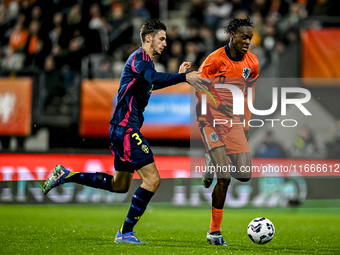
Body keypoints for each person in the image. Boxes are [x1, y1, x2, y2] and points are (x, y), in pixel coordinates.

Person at [41, 19, 209, 244]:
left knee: (120, 185)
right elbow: (151, 78)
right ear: (148, 38)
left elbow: (153, 82)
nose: (165, 43)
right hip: (126, 128)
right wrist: (183, 77)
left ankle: (66, 174)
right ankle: (125, 233)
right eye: (162, 38)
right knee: (153, 180)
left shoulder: (146, 63)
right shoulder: (140, 58)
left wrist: (179, 76)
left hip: (122, 129)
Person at [195, 17, 259, 246]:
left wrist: (247, 125)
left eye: (250, 38)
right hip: (209, 118)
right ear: (232, 35)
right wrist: (216, 103)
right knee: (224, 177)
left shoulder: (252, 63)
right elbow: (199, 88)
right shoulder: (214, 60)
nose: (248, 41)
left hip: (233, 122)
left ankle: (212, 161)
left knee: (244, 174)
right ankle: (214, 232)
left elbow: (249, 96)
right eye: (244, 36)